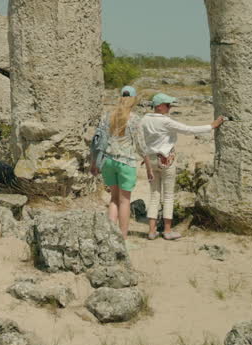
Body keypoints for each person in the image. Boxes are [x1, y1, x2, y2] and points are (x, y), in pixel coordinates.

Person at [137, 93, 225, 241]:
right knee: (169, 195)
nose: (170, 107)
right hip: (166, 160)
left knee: (154, 195)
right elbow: (188, 130)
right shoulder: (166, 121)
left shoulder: (144, 119)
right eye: (168, 104)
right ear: (160, 106)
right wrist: (212, 126)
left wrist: (145, 158)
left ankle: (151, 231)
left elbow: (140, 141)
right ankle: (167, 230)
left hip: (150, 160)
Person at [89, 85, 145, 237]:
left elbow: (98, 141)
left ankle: (111, 236)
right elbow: (140, 144)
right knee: (124, 201)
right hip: (126, 162)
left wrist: (94, 162)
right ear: (133, 100)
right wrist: (147, 161)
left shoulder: (108, 116)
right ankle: (123, 237)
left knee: (113, 199)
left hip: (108, 161)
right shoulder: (134, 119)